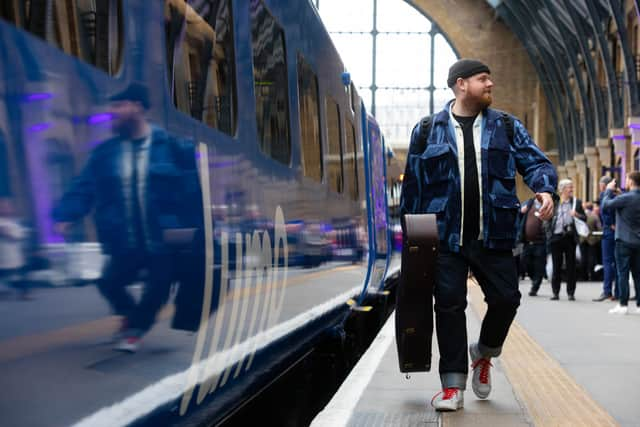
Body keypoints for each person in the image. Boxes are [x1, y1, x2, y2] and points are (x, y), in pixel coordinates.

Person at [400, 59, 557, 411]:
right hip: (445, 238)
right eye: (482, 79)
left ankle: (484, 352)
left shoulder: (506, 126)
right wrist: (412, 239)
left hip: (495, 235)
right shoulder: (428, 130)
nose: (490, 84)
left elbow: (535, 162)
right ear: (460, 84)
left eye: (490, 77)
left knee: (506, 299)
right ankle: (452, 385)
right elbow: (413, 187)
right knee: (449, 305)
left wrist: (544, 190)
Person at [52, 83, 202, 352]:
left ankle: (134, 330)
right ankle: (133, 317)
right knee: (108, 282)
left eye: (119, 105)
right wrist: (66, 214)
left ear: (138, 108)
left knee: (157, 289)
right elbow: (84, 185)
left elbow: (191, 192)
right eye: (112, 106)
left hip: (163, 241)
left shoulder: (171, 147)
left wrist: (196, 233)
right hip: (125, 240)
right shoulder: (106, 153)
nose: (113, 111)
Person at [601, 173, 640, 314]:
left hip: (623, 241)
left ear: (630, 181)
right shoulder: (630, 197)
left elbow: (605, 205)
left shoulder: (626, 198)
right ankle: (639, 305)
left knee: (622, 273)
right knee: (638, 274)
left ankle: (623, 305)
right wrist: (620, 194)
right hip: (638, 241)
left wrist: (608, 190)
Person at [545, 179, 585, 301]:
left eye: (572, 187)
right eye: (569, 187)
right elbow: (547, 219)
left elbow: (584, 218)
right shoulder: (555, 202)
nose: (572, 189)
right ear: (562, 189)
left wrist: (577, 215)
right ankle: (555, 292)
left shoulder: (576, 203)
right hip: (556, 237)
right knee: (556, 266)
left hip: (570, 237)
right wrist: (549, 235)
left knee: (571, 266)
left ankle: (571, 292)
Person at [594, 176, 618, 301]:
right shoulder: (617, 195)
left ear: (604, 185)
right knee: (617, 262)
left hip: (609, 230)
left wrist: (610, 223)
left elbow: (605, 212)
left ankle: (607, 291)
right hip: (617, 231)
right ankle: (618, 292)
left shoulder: (605, 195)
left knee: (607, 262)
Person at [519, 197, 547, 296]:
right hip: (527, 242)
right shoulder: (530, 202)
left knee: (539, 266)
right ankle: (532, 277)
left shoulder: (547, 203)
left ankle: (535, 287)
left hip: (540, 242)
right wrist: (521, 210)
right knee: (524, 262)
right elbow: (520, 212)